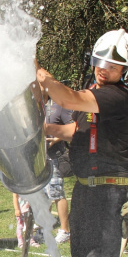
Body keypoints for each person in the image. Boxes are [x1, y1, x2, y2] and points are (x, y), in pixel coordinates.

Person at [36, 28, 128, 257]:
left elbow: (68, 98)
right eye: (100, 62)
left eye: (113, 66)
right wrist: (46, 130)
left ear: (125, 70)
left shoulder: (117, 96)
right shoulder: (95, 92)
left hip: (107, 192)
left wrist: (45, 78)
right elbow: (76, 130)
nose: (104, 70)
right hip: (86, 188)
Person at [44, 97, 73, 243]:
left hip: (54, 156)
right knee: (43, 194)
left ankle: (65, 230)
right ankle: (46, 228)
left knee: (57, 193)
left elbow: (73, 128)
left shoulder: (59, 105)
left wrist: (56, 139)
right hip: (38, 157)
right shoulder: (35, 105)